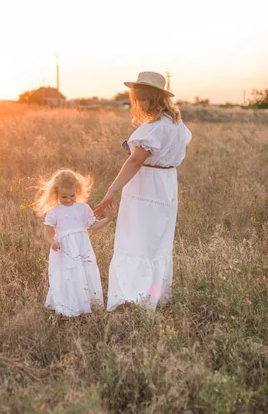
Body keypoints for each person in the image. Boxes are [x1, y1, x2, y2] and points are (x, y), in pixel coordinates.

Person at [94, 71, 192, 310]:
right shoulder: (177, 125)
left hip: (146, 185)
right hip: (166, 184)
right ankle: (153, 296)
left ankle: (133, 297)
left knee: (136, 239)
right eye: (139, 98)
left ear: (157, 98)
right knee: (156, 241)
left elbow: (135, 162)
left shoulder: (153, 129)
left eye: (144, 99)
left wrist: (111, 190)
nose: (140, 103)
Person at [34, 168, 113, 317]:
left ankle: (86, 305)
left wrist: (108, 219)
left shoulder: (83, 208)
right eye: (64, 196)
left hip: (82, 248)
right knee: (67, 275)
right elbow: (48, 230)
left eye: (72, 195)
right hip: (64, 249)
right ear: (56, 193)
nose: (69, 199)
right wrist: (52, 241)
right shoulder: (54, 211)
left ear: (77, 191)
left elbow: (94, 226)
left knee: (85, 272)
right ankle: (68, 308)